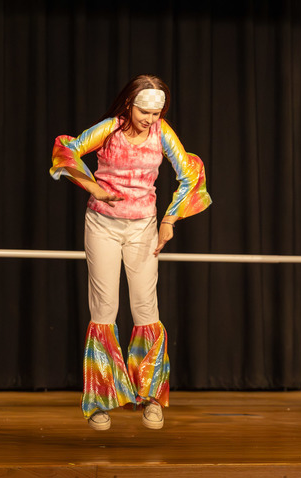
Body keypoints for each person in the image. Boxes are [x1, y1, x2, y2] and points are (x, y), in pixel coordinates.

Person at [49, 75, 211, 431]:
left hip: (143, 227)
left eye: (157, 112)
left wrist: (169, 219)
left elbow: (190, 173)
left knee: (145, 306)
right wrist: (93, 186)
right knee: (105, 307)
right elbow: (67, 149)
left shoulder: (162, 133)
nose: (151, 118)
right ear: (129, 104)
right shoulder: (109, 129)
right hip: (103, 225)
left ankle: (150, 396)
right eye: (145, 111)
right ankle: (100, 399)